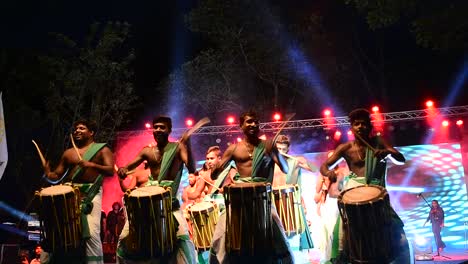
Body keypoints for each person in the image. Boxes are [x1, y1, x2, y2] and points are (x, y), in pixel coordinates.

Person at [320, 108, 408, 263]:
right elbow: (324, 167)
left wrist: (387, 152)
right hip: (353, 193)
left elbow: (401, 159)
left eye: (364, 124)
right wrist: (329, 174)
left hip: (376, 193)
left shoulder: (379, 142)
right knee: (344, 232)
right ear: (351, 128)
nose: (360, 127)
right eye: (356, 124)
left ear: (370, 127)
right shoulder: (345, 148)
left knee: (396, 232)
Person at [209, 110, 293, 263]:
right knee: (220, 233)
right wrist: (216, 168)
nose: (253, 124)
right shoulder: (234, 149)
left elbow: (286, 169)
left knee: (279, 235)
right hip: (240, 201)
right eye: (249, 122)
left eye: (256, 121)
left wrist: (274, 151)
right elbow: (214, 175)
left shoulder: (267, 146)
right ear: (241, 125)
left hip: (262, 200)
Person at [116, 115, 197, 264]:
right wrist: (122, 170)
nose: (158, 130)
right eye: (156, 127)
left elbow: (192, 168)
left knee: (183, 239)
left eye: (162, 127)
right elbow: (128, 167)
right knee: (124, 239)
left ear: (170, 130)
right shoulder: (147, 151)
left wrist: (188, 145)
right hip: (149, 206)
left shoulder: (178, 148)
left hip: (170, 205)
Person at [44, 119, 115, 263]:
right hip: (70, 194)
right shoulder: (69, 153)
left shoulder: (103, 149)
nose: (77, 131)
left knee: (92, 232)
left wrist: (91, 164)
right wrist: (48, 173)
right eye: (76, 128)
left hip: (91, 193)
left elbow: (110, 171)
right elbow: (56, 176)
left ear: (91, 132)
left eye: (82, 128)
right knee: (59, 229)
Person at [272, 135, 315, 261]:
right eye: (278, 148)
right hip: (274, 201)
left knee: (293, 235)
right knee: (276, 235)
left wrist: (302, 161)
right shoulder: (270, 162)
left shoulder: (294, 161)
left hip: (290, 201)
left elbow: (315, 169)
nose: (280, 151)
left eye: (283, 149)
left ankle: (294, 259)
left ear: (287, 150)